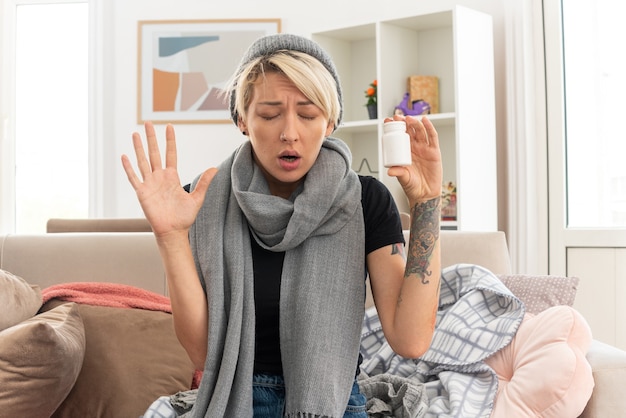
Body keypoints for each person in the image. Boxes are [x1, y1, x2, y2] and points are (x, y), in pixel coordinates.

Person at [122, 33, 443, 418]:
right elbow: (203, 353)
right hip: (235, 398)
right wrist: (170, 237)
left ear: (329, 122)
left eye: (307, 115)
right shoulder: (200, 202)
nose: (289, 132)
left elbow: (410, 340)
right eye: (270, 114)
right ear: (242, 120)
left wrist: (426, 205)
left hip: (335, 402)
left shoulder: (365, 200)